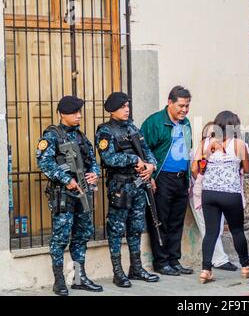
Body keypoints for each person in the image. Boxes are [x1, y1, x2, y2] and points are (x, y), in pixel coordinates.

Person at [37, 96, 103, 296]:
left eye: (80, 112)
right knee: (60, 238)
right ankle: (59, 282)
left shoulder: (81, 136)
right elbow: (44, 162)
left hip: (83, 193)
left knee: (82, 236)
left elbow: (92, 160)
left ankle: (79, 278)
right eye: (75, 112)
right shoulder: (51, 136)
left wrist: (95, 174)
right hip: (64, 194)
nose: (79, 115)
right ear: (62, 114)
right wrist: (66, 179)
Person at [96, 92, 160, 287]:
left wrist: (151, 166)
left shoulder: (133, 128)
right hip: (120, 187)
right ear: (112, 109)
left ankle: (137, 268)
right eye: (122, 107)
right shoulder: (105, 131)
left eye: (127, 106)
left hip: (139, 185)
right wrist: (134, 160)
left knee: (136, 228)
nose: (127, 110)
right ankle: (118, 272)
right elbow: (108, 159)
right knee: (116, 229)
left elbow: (147, 151)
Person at [140, 86, 194, 276]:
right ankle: (161, 262)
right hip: (161, 179)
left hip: (181, 179)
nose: (184, 110)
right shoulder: (155, 122)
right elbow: (142, 150)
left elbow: (188, 150)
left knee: (176, 222)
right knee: (160, 221)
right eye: (181, 106)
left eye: (187, 106)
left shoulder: (186, 123)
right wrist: (151, 177)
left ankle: (174, 259)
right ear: (169, 103)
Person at [192, 111, 249, 283]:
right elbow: (247, 169)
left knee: (210, 233)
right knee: (237, 231)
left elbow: (194, 169)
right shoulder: (239, 144)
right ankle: (246, 267)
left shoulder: (206, 143)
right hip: (231, 194)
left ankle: (205, 270)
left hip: (209, 193)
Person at [189, 122, 238, 272]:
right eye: (211, 135)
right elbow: (195, 172)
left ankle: (216, 260)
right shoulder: (199, 152)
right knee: (210, 229)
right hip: (201, 194)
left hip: (215, 193)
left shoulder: (221, 152)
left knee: (216, 228)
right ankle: (219, 260)